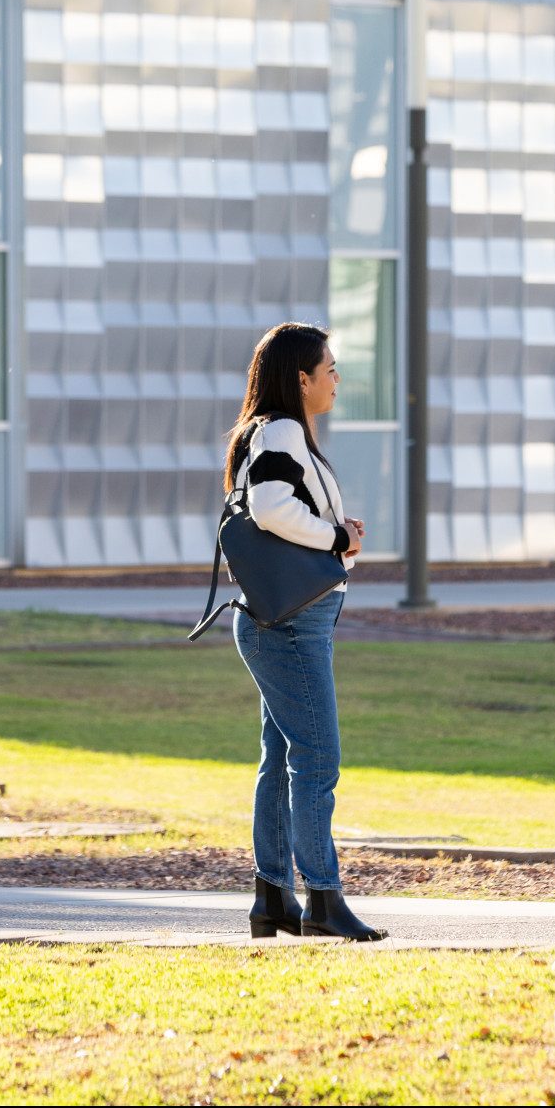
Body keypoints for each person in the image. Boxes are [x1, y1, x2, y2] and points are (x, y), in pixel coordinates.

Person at [223, 323, 386, 942]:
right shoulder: (282, 430)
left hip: (279, 620)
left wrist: (334, 528)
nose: (336, 379)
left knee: (280, 761)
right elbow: (270, 509)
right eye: (330, 369)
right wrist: (336, 536)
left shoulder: (269, 432)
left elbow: (279, 508)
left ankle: (272, 897)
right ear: (301, 378)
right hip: (292, 624)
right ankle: (322, 898)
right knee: (317, 757)